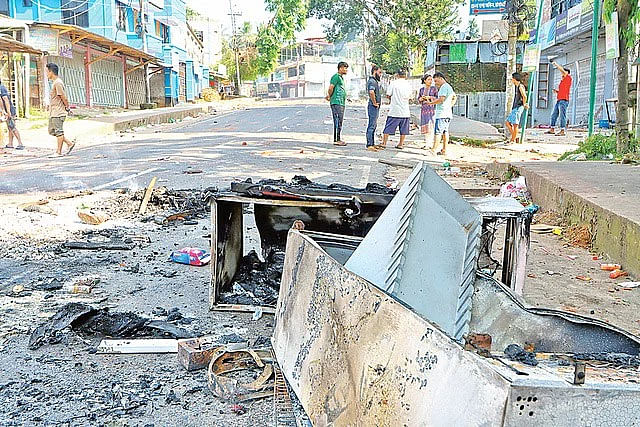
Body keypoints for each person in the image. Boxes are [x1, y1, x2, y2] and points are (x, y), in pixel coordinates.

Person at [46, 63, 75, 157]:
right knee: (52, 131)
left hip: (58, 112)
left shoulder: (58, 83)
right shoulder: (55, 82)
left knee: (59, 131)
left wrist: (67, 108)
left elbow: (63, 97)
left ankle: (58, 152)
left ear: (51, 72)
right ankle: (69, 143)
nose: (46, 74)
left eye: (47, 71)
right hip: (53, 112)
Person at [379, 68, 411, 150]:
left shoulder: (393, 83)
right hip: (405, 111)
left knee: (388, 127)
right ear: (406, 75)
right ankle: (400, 144)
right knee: (403, 129)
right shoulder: (408, 84)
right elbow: (410, 97)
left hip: (394, 110)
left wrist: (392, 99)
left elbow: (388, 94)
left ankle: (384, 143)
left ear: (397, 75)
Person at [428, 72, 455, 156]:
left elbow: (441, 99)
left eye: (436, 81)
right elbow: (454, 97)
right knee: (445, 132)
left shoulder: (443, 87)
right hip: (447, 113)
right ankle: (444, 150)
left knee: (438, 132)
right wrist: (450, 105)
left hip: (441, 114)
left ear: (440, 78)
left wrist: (432, 103)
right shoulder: (449, 87)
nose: (435, 83)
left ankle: (433, 150)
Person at [546, 61, 572, 136]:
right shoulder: (563, 81)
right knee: (554, 114)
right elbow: (563, 91)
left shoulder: (568, 78)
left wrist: (556, 64)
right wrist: (557, 91)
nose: (562, 74)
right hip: (559, 99)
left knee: (562, 115)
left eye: (563, 72)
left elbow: (562, 70)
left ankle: (562, 130)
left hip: (564, 100)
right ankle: (552, 129)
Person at [326, 61, 349, 146]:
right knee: (337, 120)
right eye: (345, 68)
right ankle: (336, 139)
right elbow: (331, 87)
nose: (346, 70)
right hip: (336, 101)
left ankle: (338, 138)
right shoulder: (336, 77)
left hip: (341, 102)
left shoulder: (340, 78)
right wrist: (329, 96)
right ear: (340, 68)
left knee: (340, 120)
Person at [505, 72, 528, 144]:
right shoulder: (518, 86)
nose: (512, 80)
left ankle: (513, 139)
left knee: (515, 124)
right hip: (515, 107)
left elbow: (524, 96)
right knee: (508, 122)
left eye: (512, 78)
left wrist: (524, 104)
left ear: (515, 79)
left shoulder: (520, 86)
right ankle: (515, 137)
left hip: (518, 107)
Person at [0, 81, 24, 150]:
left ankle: (20, 143)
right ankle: (10, 143)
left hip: (9, 110)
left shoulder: (1, 87)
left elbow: (6, 100)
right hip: (7, 111)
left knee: (12, 126)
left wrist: (8, 112)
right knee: (10, 127)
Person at [418, 74, 438, 150]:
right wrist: (421, 98)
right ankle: (427, 143)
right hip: (424, 110)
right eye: (429, 79)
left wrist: (430, 97)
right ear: (425, 80)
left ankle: (430, 143)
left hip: (431, 109)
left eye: (431, 79)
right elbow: (418, 99)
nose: (430, 81)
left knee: (431, 126)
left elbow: (437, 98)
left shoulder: (434, 89)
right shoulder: (421, 90)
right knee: (425, 127)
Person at [366, 65, 383, 151]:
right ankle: (369, 145)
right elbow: (371, 92)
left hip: (374, 106)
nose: (380, 75)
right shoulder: (372, 81)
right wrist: (374, 102)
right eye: (379, 72)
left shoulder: (374, 81)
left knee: (374, 124)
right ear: (374, 71)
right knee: (371, 125)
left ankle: (372, 143)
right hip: (373, 106)